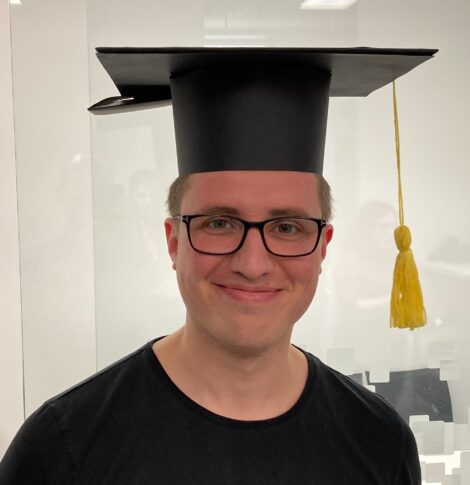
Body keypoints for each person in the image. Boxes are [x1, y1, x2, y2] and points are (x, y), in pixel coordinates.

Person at [0, 47, 437, 484]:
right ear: (173, 242)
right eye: (219, 223)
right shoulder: (63, 451)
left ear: (322, 248)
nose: (252, 264)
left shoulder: (379, 443)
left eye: (287, 227)